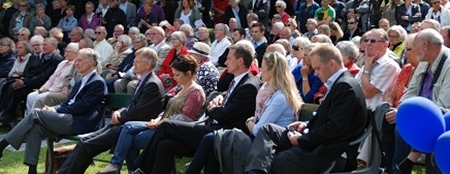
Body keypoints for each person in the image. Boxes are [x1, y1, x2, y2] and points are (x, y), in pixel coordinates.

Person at [131, 41, 260, 174]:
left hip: (223, 134)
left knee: (166, 125)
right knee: (165, 144)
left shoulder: (248, 85)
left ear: (240, 61)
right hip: (214, 128)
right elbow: (229, 99)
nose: (226, 63)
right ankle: (144, 169)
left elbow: (224, 115)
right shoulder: (239, 81)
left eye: (229, 59)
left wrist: (213, 108)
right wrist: (220, 97)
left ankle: (142, 168)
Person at [245, 44, 367, 174]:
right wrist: (306, 125)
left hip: (325, 152)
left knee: (270, 162)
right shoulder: (340, 84)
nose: (315, 73)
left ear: (331, 63)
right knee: (268, 130)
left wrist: (301, 140)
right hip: (316, 142)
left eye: (317, 68)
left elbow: (334, 129)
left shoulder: (345, 87)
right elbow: (331, 121)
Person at [184, 51, 303, 174]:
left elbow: (258, 130)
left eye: (263, 67)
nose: (260, 70)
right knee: (214, 142)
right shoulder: (268, 90)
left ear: (272, 71)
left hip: (266, 146)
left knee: (212, 139)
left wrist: (249, 122)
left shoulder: (280, 98)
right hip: (257, 140)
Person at [0, 48, 107, 174]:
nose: (76, 63)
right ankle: (32, 170)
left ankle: (2, 145)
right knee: (36, 127)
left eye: (79, 60)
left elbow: (81, 107)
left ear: (90, 62)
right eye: (76, 60)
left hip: (82, 122)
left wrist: (55, 110)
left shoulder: (97, 83)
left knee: (36, 114)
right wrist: (54, 109)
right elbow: (68, 103)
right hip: (69, 117)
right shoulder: (80, 81)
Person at [96, 55, 205, 174]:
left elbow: (186, 118)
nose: (174, 78)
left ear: (188, 74)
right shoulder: (181, 88)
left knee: (129, 140)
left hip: (171, 130)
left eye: (177, 75)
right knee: (127, 127)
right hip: (161, 124)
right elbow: (168, 109)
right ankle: (121, 166)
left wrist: (161, 122)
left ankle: (124, 167)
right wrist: (158, 118)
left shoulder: (196, 92)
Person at [388, 29, 450, 174]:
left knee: (401, 129)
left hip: (438, 118)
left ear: (425, 45)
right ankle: (390, 166)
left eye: (414, 46)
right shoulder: (425, 60)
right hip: (419, 112)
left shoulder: (448, 65)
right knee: (386, 121)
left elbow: (443, 105)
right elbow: (411, 91)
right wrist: (402, 110)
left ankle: (401, 168)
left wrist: (410, 117)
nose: (413, 50)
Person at [0, 38, 64, 123]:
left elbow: (43, 77)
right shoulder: (44, 56)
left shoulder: (57, 59)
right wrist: (24, 80)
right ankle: (6, 112)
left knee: (18, 90)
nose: (43, 47)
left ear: (53, 46)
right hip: (33, 81)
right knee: (11, 85)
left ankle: (9, 114)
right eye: (43, 44)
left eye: (45, 45)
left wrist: (25, 83)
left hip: (43, 85)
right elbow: (34, 71)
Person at [25, 43, 78, 115]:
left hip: (58, 90)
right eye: (66, 51)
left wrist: (50, 90)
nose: (66, 53)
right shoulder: (62, 63)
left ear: (76, 53)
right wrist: (44, 87)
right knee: (31, 96)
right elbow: (52, 78)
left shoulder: (75, 65)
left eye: (69, 52)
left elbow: (66, 81)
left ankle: (35, 119)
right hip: (50, 88)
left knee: (38, 98)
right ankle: (28, 116)